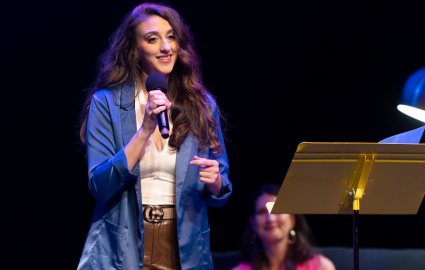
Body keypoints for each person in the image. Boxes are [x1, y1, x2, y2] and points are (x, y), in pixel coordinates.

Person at [76, 3, 232, 270]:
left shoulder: (202, 106)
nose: (166, 47)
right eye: (152, 39)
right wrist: (145, 130)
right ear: (134, 50)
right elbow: (100, 187)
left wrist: (216, 180)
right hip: (123, 246)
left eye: (171, 37)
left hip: (183, 245)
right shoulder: (107, 103)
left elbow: (222, 187)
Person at [233, 184, 335, 270]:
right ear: (252, 223)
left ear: (292, 220)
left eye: (277, 211)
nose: (270, 219)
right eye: (262, 212)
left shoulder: (321, 267)